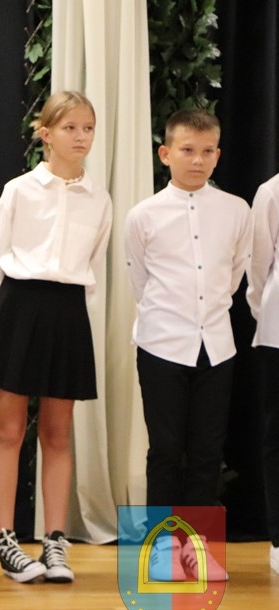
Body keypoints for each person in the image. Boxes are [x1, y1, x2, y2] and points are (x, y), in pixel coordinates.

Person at [0, 91, 111, 583]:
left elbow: (94, 264)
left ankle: (55, 542)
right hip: (18, 305)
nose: (81, 137)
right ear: (46, 133)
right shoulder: (20, 190)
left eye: (88, 128)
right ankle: (6, 539)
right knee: (8, 429)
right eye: (70, 127)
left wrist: (66, 313)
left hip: (68, 312)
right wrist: (14, 312)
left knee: (58, 431)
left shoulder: (100, 198)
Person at [125, 109, 250, 582]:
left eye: (207, 151)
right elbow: (140, 279)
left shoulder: (236, 210)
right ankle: (163, 550)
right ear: (166, 154)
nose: (197, 160)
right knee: (165, 450)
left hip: (216, 345)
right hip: (162, 344)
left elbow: (235, 275)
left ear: (217, 155)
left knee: (206, 451)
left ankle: (198, 550)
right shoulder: (144, 215)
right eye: (187, 150)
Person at [248, 170, 279, 576]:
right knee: (278, 437)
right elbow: (257, 266)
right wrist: (264, 311)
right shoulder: (271, 192)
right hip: (277, 333)